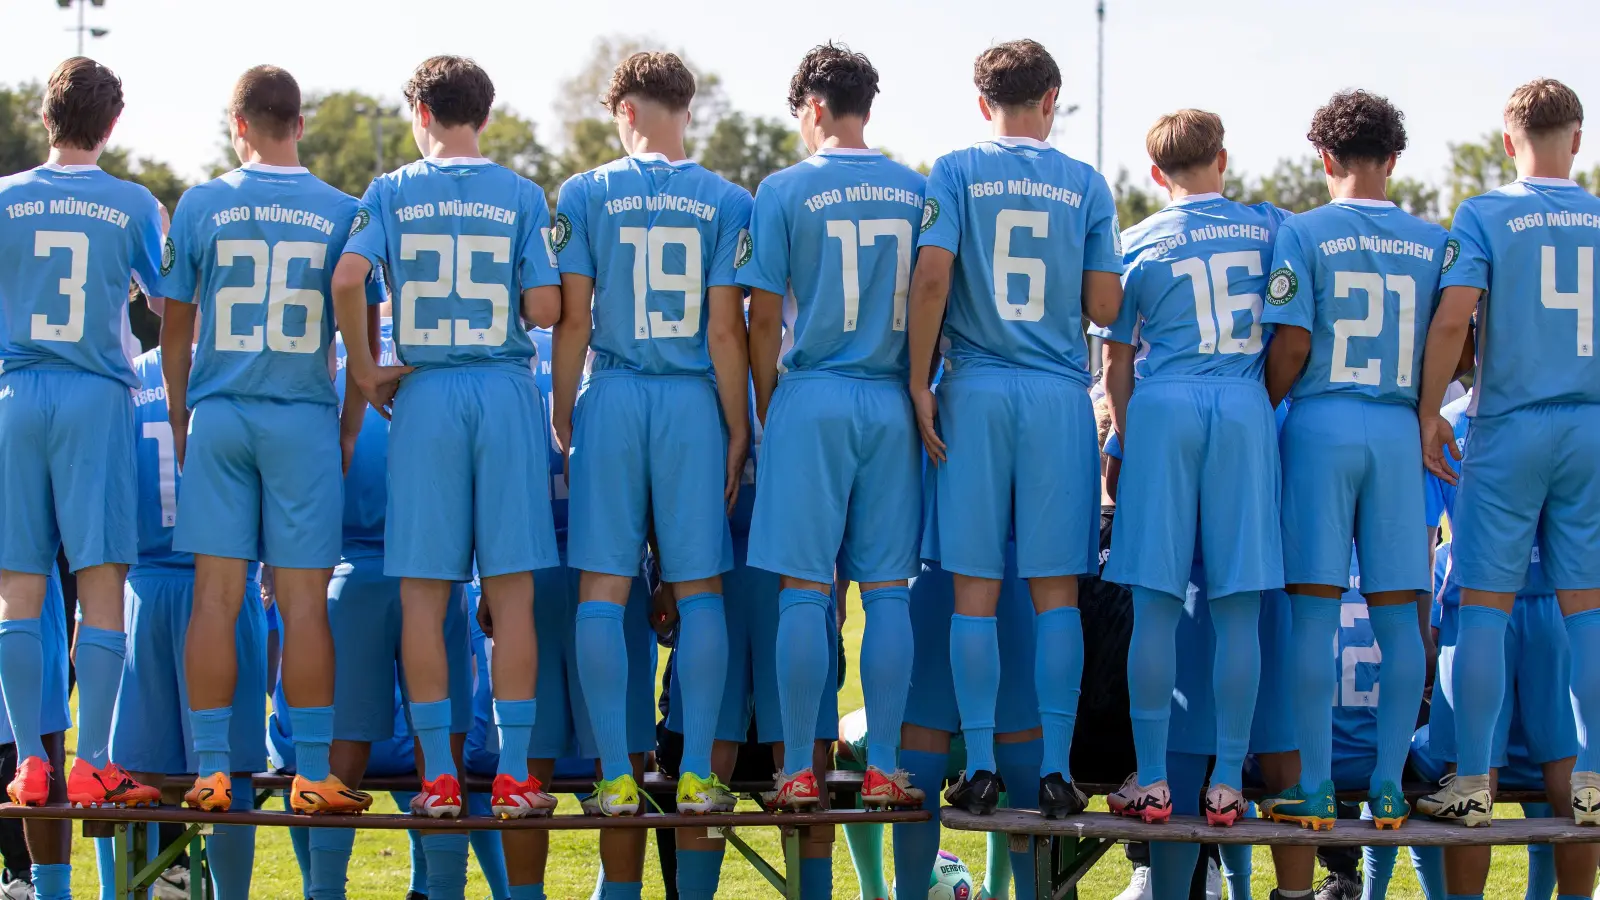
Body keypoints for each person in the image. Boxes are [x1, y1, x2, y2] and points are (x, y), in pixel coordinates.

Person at [332, 56, 563, 838]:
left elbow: (348, 276)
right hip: (501, 391)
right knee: (515, 593)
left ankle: (435, 775)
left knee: (424, 597)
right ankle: (512, 775)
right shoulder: (523, 194)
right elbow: (543, 303)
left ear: (420, 114)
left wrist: (366, 375)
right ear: (484, 117)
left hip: (424, 391)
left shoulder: (392, 190)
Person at [906, 38, 1121, 820]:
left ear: (980, 100)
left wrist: (916, 377)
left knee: (974, 592)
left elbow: (932, 277)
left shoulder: (955, 168)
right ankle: (1059, 769)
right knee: (1056, 594)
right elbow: (1104, 306)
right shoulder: (1087, 182)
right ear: (1052, 98)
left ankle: (985, 763)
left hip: (976, 386)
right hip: (1058, 393)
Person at [157, 65, 375, 816]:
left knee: (215, 599)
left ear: (238, 124)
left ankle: (214, 770)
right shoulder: (346, 210)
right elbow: (361, 345)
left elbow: (174, 330)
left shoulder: (200, 204)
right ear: (301, 125)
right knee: (305, 603)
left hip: (220, 411)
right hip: (301, 416)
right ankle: (311, 772)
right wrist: (347, 430)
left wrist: (184, 417)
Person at [552, 50, 752, 833]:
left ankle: (614, 776)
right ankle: (698, 771)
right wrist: (737, 424)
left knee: (602, 588)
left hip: (615, 391)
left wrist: (564, 409)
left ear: (623, 111)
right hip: (690, 400)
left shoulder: (582, 191)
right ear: (687, 110)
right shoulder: (726, 197)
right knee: (700, 588)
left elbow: (572, 320)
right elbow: (725, 332)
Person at [739, 42, 924, 821]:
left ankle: (796, 770)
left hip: (811, 393)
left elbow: (761, 314)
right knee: (886, 595)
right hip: (889, 398)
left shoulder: (783, 187)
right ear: (866, 107)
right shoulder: (918, 190)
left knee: (804, 593)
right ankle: (883, 765)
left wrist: (768, 399)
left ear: (812, 108)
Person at [1415, 78, 1600, 831]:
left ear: (1505, 141)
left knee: (1484, 609)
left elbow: (1455, 316)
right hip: (1588, 425)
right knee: (1588, 610)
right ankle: (1592, 778)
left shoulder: (1486, 213)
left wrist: (1428, 410)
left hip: (1510, 423)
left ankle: (1471, 780)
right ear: (1579, 139)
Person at [1093, 108, 1285, 828]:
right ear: (1223, 159)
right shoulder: (1268, 228)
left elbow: (1115, 366)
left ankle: (1151, 775)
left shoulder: (1136, 242)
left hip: (1165, 404)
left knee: (1155, 605)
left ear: (1153, 174)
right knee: (1240, 607)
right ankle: (1229, 780)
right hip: (1242, 404)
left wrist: (1125, 440)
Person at [1259, 90, 1441, 834]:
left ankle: (1313, 785)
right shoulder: (1436, 240)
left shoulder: (1301, 232)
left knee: (1313, 615)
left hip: (1322, 422)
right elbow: (1451, 341)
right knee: (1401, 615)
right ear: (1394, 160)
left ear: (1324, 159)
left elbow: (1293, 345)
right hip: (1399, 426)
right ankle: (1391, 787)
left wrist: (1266, 406)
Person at [0, 58, 165, 839]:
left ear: (44, 119)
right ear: (111, 124)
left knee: (16, 592)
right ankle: (92, 758)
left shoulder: (3, 197)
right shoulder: (133, 202)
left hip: (16, 393)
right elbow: (167, 301)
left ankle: (32, 760)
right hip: (96, 395)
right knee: (102, 585)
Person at [307, 311, 479, 900]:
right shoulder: (440, 363)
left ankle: (325, 890)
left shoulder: (333, 370)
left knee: (340, 764)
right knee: (442, 764)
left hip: (351, 581)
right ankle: (443, 891)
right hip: (433, 577)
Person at [95, 335, 266, 899]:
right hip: (223, 589)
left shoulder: (127, 381)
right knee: (230, 778)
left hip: (144, 589)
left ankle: (124, 892)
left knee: (133, 775)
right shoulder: (244, 365)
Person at [1419, 384, 1597, 897]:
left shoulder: (1446, 421)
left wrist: (1423, 633)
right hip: (1560, 607)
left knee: (1472, 782)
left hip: (1476, 610)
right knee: (1575, 778)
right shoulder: (1580, 414)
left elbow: (1426, 541)